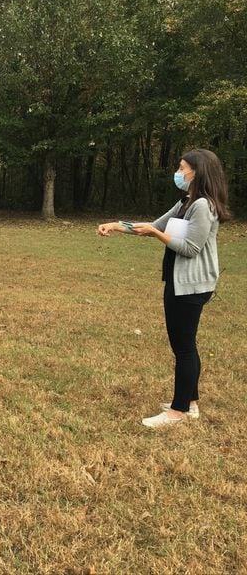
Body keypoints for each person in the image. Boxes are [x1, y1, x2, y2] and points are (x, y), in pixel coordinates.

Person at [96, 149, 230, 428]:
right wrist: (117, 225)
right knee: (185, 345)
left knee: (183, 348)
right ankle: (189, 403)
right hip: (179, 282)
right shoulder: (186, 201)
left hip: (192, 285)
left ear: (197, 171)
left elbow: (191, 248)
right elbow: (153, 225)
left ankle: (177, 412)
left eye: (182, 168)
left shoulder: (203, 206)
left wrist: (158, 235)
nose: (179, 172)